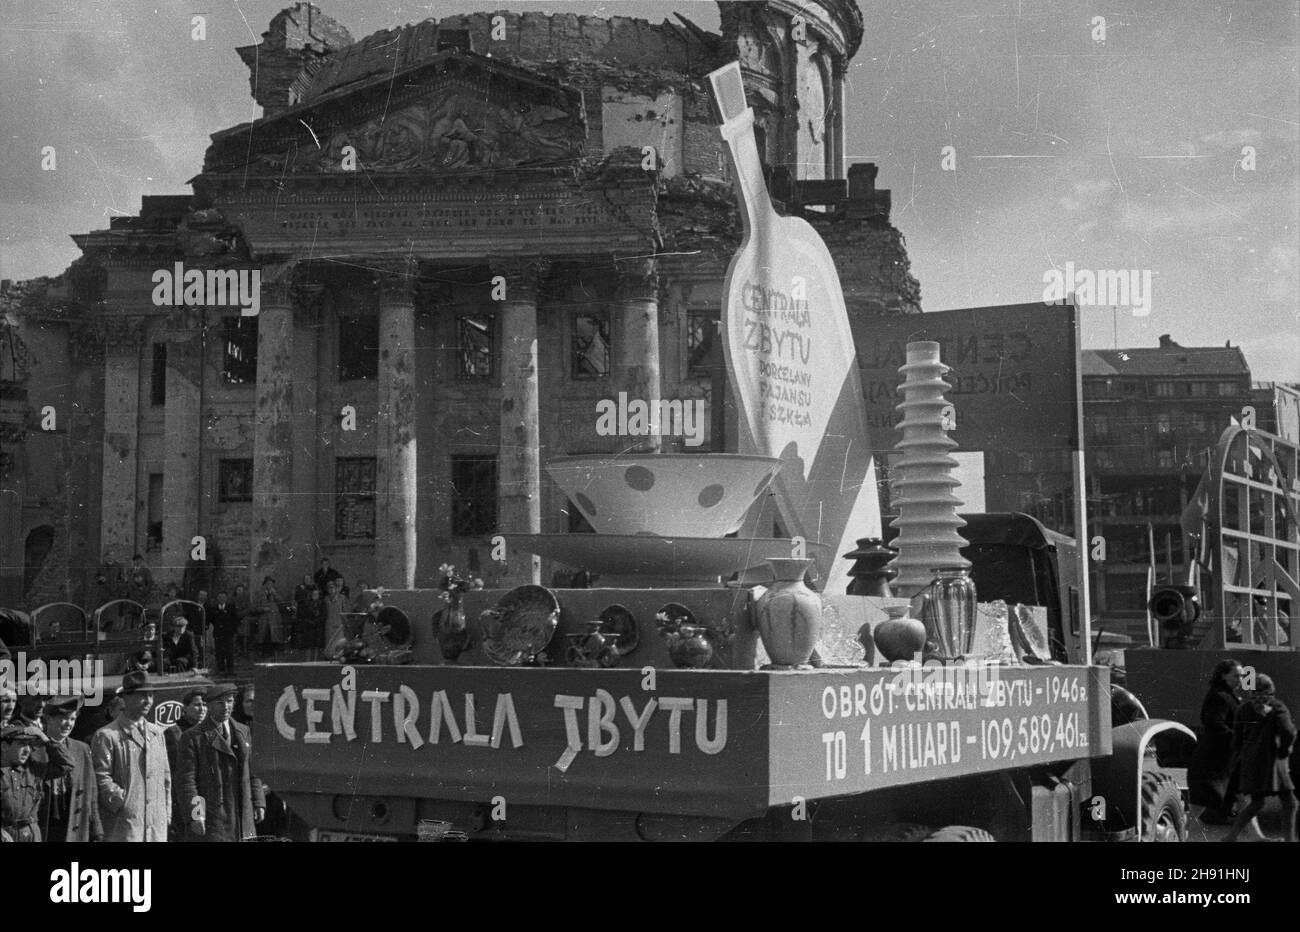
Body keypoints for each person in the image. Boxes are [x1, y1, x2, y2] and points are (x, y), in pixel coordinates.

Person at [91, 670, 172, 842]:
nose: (148, 701)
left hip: (156, 826)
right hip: (124, 826)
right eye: (142, 696)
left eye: (151, 696)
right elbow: (101, 778)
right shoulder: (107, 735)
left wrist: (166, 811)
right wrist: (125, 803)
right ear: (125, 698)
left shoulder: (157, 733)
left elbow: (166, 778)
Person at [177, 684, 265, 842]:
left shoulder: (243, 731)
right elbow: (187, 781)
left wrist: (258, 802)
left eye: (229, 701)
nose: (226, 707)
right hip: (213, 819)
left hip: (242, 815)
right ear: (209, 705)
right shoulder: (193, 737)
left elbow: (252, 771)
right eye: (220, 703)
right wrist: (195, 815)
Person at [1223, 673, 1298, 843]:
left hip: (1251, 761)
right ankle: (1290, 839)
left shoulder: (1244, 708)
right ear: (1270, 690)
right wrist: (1285, 750)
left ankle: (1231, 836)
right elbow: (1289, 731)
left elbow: (1236, 740)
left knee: (1256, 803)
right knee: (1290, 802)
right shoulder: (1276, 707)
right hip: (1272, 762)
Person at [34, 697, 101, 842]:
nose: (68, 724)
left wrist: (97, 831)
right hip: (45, 826)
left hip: (74, 826)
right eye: (63, 718)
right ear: (48, 718)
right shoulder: (35, 749)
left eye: (72, 719)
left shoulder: (82, 749)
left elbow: (91, 793)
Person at [1189, 659, 1244, 825]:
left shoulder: (1228, 695)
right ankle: (1183, 831)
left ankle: (1254, 836)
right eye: (1236, 676)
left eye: (1241, 676)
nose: (1240, 680)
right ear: (1223, 675)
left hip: (1226, 759)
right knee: (1202, 803)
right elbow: (1214, 723)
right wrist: (1238, 737)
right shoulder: (1219, 696)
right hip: (1214, 761)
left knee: (1243, 796)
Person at [2, 722, 72, 842]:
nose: (27, 750)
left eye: (29, 745)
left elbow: (66, 764)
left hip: (32, 835)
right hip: (6, 835)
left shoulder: (34, 770)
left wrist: (47, 741)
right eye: (22, 744)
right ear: (4, 746)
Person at [253, 576, 287, 659]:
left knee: (274, 636)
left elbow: (282, 602)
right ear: (264, 584)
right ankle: (264, 653)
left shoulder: (276, 593)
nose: (269, 585)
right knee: (264, 635)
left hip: (274, 618)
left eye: (271, 583)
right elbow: (255, 607)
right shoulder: (260, 594)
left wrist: (275, 594)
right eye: (268, 583)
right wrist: (263, 609)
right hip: (264, 618)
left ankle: (274, 654)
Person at [209, 590, 240, 676]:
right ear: (217, 599)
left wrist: (234, 632)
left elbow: (235, 620)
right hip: (218, 634)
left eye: (223, 597)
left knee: (229, 652)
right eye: (220, 597)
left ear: (226, 598)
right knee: (219, 652)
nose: (221, 599)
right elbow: (212, 620)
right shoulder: (213, 609)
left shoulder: (231, 608)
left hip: (228, 634)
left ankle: (230, 670)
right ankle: (221, 670)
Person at [232, 582, 252, 657]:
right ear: (236, 591)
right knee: (237, 635)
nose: (240, 592)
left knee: (245, 635)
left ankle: (245, 651)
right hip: (236, 619)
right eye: (238, 590)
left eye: (241, 590)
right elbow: (232, 609)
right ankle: (238, 650)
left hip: (244, 618)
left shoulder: (246, 599)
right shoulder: (233, 599)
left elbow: (248, 608)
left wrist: (242, 614)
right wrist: (237, 616)